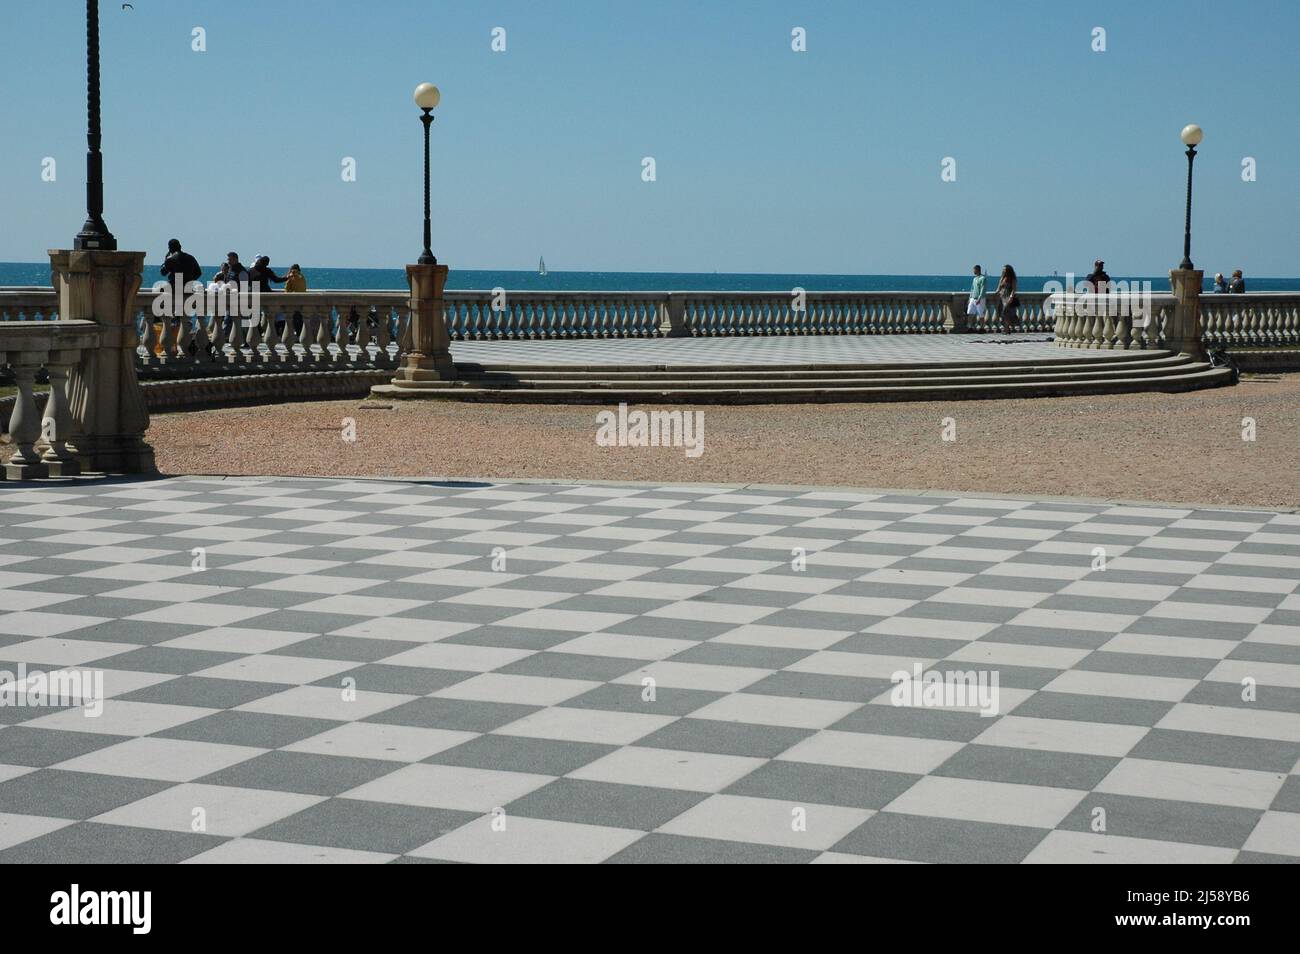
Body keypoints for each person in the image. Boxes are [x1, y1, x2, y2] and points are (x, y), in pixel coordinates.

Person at [284, 264, 307, 335]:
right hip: (302, 300)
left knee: (293, 319)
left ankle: (295, 334)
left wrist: (288, 278)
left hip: (293, 301)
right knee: (300, 319)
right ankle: (300, 333)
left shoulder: (291, 277)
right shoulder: (302, 277)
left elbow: (286, 290)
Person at [996, 264, 1019, 335]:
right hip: (1002, 297)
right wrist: (997, 292)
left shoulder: (1012, 278)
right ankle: (1007, 328)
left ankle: (1007, 329)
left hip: (1008, 297)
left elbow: (1014, 289)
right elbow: (998, 288)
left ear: (1008, 271)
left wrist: (1011, 297)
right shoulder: (1002, 278)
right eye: (1003, 270)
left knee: (1006, 313)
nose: (1003, 271)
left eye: (1004, 270)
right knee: (1002, 313)